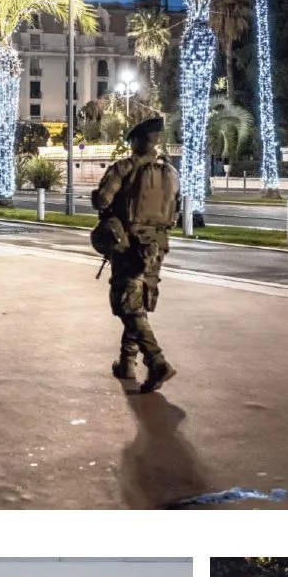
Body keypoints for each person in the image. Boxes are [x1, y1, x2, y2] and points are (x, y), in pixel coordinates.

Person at [89, 114, 180, 392]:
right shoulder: (170, 172)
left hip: (128, 244)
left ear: (138, 142)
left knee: (127, 303)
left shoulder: (124, 168)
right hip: (157, 245)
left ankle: (157, 361)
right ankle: (127, 362)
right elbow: (175, 207)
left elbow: (102, 200)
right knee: (138, 301)